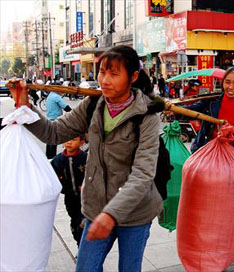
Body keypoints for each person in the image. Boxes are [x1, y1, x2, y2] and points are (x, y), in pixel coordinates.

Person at [8, 45, 163, 272]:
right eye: (102, 72)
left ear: (133, 77)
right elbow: (54, 132)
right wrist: (25, 106)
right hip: (96, 208)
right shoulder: (92, 105)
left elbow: (143, 174)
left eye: (114, 73)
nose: (105, 80)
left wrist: (111, 214)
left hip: (136, 212)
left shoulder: (147, 115)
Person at [182, 66, 234, 159]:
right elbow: (190, 110)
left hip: (232, 159)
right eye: (227, 82)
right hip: (206, 155)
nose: (230, 87)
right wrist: (172, 110)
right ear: (223, 82)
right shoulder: (211, 101)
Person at [51, 136, 87, 247]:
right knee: (75, 223)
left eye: (73, 139)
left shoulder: (86, 158)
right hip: (70, 199)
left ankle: (85, 248)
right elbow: (51, 178)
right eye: (67, 139)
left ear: (81, 142)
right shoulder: (58, 161)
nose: (69, 142)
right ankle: (79, 245)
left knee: (84, 222)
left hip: (86, 198)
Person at [45, 91, 72, 159]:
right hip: (55, 120)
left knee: (49, 139)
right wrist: (74, 113)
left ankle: (48, 156)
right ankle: (52, 157)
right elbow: (65, 107)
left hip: (49, 119)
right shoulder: (56, 97)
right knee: (54, 139)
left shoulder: (50, 95)